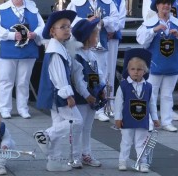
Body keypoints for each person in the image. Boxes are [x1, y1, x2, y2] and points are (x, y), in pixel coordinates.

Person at [33, 10, 84, 172]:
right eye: (63, 27)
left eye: (69, 27)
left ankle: (53, 160)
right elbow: (58, 76)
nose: (67, 30)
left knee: (58, 123)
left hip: (57, 93)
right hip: (59, 94)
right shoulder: (55, 51)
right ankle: (45, 135)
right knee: (76, 122)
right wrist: (68, 95)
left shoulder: (60, 47)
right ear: (52, 31)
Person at [136, 0, 178, 132]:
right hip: (154, 64)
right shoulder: (150, 23)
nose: (166, 6)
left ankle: (166, 122)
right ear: (157, 6)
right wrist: (154, 30)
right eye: (162, 3)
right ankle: (149, 121)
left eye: (168, 3)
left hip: (172, 63)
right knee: (151, 93)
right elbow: (142, 41)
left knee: (167, 95)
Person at [66, 0, 119, 122]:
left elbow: (116, 20)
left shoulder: (108, 2)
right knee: (81, 74)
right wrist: (87, 22)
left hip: (100, 43)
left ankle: (99, 108)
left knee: (100, 73)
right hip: (81, 45)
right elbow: (70, 21)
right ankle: (83, 101)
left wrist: (103, 21)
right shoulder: (75, 3)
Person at [0, 0, 45, 119]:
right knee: (6, 80)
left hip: (28, 49)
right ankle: (5, 108)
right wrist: (11, 35)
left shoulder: (32, 9)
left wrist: (35, 34)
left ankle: (23, 108)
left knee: (23, 81)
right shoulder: (0, 9)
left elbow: (42, 26)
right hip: (7, 48)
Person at [114, 48, 160, 172]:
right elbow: (118, 103)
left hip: (142, 120)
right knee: (126, 142)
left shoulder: (148, 87)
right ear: (127, 70)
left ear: (144, 71)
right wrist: (117, 118)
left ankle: (143, 162)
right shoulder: (123, 86)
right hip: (127, 119)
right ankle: (123, 161)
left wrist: (155, 118)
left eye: (139, 69)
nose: (135, 72)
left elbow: (151, 103)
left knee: (141, 142)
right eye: (132, 69)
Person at [70, 18, 104, 167]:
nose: (97, 39)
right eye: (95, 36)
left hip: (93, 96)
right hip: (82, 98)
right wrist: (87, 95)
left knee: (88, 127)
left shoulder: (92, 54)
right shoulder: (77, 56)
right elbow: (77, 80)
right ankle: (75, 155)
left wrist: (101, 89)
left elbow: (99, 73)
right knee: (78, 127)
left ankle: (86, 153)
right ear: (86, 37)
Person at [105, 0, 126, 115]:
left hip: (112, 38)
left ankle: (109, 103)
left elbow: (121, 19)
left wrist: (112, 30)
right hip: (94, 37)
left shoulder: (119, 1)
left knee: (110, 69)